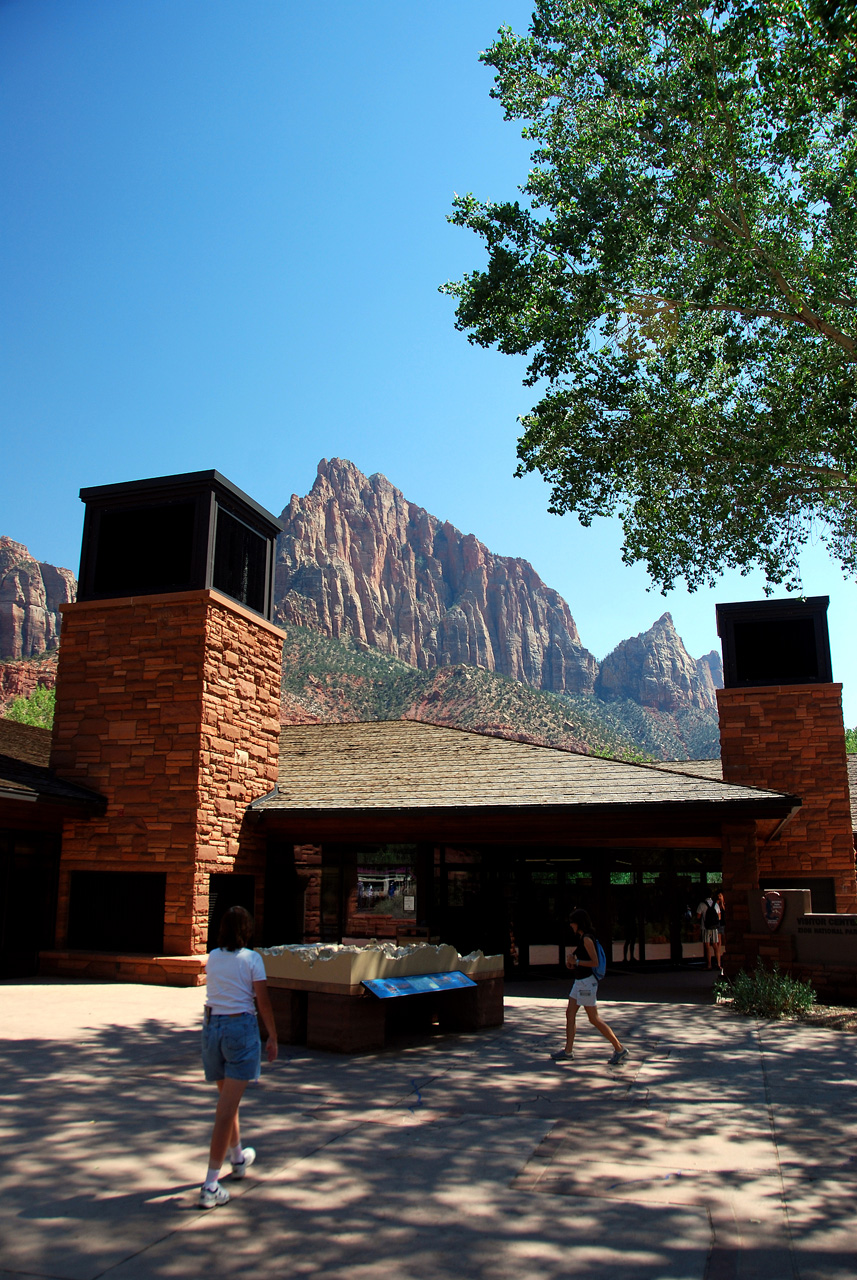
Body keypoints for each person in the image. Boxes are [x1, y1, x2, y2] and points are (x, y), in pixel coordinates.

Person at [199, 905, 278, 1209]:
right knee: (225, 1109)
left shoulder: (214, 957)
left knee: (227, 1103)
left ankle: (238, 1157)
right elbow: (264, 1002)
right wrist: (272, 1036)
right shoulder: (252, 960)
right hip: (239, 1030)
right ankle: (210, 1184)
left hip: (212, 1029)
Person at [551, 908, 628, 1065]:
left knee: (593, 1018)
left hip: (587, 983)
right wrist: (573, 962)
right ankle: (568, 1051)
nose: (570, 925)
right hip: (579, 981)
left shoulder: (587, 939)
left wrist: (576, 962)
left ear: (579, 923)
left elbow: (595, 962)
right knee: (570, 1013)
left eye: (572, 922)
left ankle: (619, 1049)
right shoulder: (582, 938)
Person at [696, 892, 722, 971]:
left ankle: (709, 964)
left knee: (707, 946)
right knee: (715, 946)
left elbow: (698, 916)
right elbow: (719, 917)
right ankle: (718, 964)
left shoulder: (702, 904)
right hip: (714, 928)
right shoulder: (715, 904)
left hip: (705, 927)